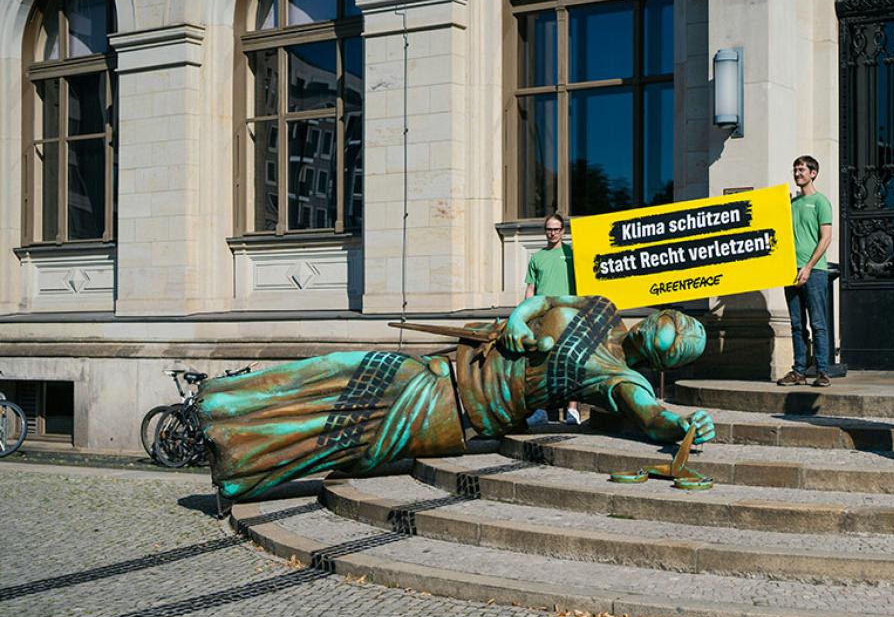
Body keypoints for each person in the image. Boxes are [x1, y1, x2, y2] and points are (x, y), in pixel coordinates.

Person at [199, 295, 715, 501]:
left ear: (664, 362)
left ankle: (242, 467)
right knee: (337, 369)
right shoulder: (603, 309)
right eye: (670, 324)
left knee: (341, 434)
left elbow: (650, 418)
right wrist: (516, 319)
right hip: (446, 364)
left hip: (456, 410)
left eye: (672, 344)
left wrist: (684, 425)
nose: (661, 334)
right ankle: (223, 406)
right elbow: (543, 301)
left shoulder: (622, 380)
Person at [776, 155, 834, 388]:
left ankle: (822, 372)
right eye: (795, 170)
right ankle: (798, 371)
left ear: (813, 173)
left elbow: (826, 237)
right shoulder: (790, 204)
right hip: (789, 271)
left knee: (818, 323)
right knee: (797, 324)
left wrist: (808, 267)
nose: (797, 173)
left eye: (801, 170)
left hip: (815, 272)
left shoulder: (821, 202)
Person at [525, 212, 580, 425]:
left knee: (570, 361)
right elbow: (530, 289)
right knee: (540, 362)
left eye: (556, 229)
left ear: (563, 231)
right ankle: (540, 410)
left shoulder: (573, 254)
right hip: (543, 317)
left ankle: (572, 410)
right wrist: (525, 315)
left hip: (568, 315)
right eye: (549, 229)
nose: (552, 233)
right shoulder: (537, 257)